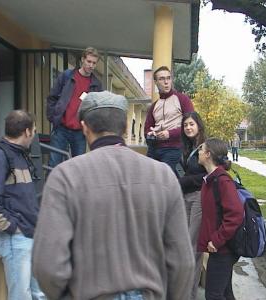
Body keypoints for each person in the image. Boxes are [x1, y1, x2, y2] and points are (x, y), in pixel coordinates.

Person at [33, 91, 195, 300]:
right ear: (125, 128)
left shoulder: (64, 177)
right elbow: (183, 261)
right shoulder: (163, 176)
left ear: (84, 127)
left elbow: (48, 265)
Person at [0, 110, 46, 300]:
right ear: (28, 131)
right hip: (16, 240)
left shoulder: (20, 154)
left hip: (29, 235)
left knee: (38, 293)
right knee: (21, 296)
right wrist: (13, 228)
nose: (34, 135)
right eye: (35, 131)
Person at [197, 138, 244, 300]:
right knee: (224, 292)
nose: (199, 152)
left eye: (201, 149)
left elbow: (236, 215)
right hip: (220, 248)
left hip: (223, 249)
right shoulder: (210, 179)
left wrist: (216, 240)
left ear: (208, 154)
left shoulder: (222, 181)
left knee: (213, 295)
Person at [46, 47, 103, 167]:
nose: (91, 65)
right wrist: (53, 118)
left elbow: (98, 109)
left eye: (94, 63)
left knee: (79, 167)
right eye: (89, 61)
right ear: (82, 59)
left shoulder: (97, 85)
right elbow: (52, 97)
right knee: (54, 164)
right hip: (61, 128)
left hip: (80, 132)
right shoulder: (66, 76)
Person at [177, 112, 208, 300]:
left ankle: (189, 293)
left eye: (191, 124)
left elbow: (206, 176)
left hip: (199, 198)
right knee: (184, 244)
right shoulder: (186, 146)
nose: (188, 128)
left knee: (193, 246)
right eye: (185, 125)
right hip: (185, 197)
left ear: (198, 125)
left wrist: (184, 181)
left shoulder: (205, 147)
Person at [144, 65, 194, 176]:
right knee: (147, 179)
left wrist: (169, 134)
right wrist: (151, 134)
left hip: (175, 148)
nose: (166, 82)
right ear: (156, 82)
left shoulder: (182, 99)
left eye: (168, 78)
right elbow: (147, 130)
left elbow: (192, 125)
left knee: (163, 180)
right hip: (154, 149)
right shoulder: (154, 106)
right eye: (162, 79)